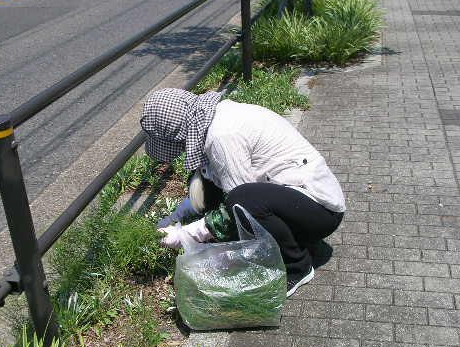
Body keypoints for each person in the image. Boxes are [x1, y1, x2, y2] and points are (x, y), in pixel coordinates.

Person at [141, 88, 345, 297]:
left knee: (242, 200)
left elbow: (238, 205)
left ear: (176, 131)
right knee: (208, 180)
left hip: (322, 212)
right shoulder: (218, 115)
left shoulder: (221, 136)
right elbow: (214, 181)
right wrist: (178, 215)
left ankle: (296, 266)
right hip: (303, 201)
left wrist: (186, 235)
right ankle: (291, 239)